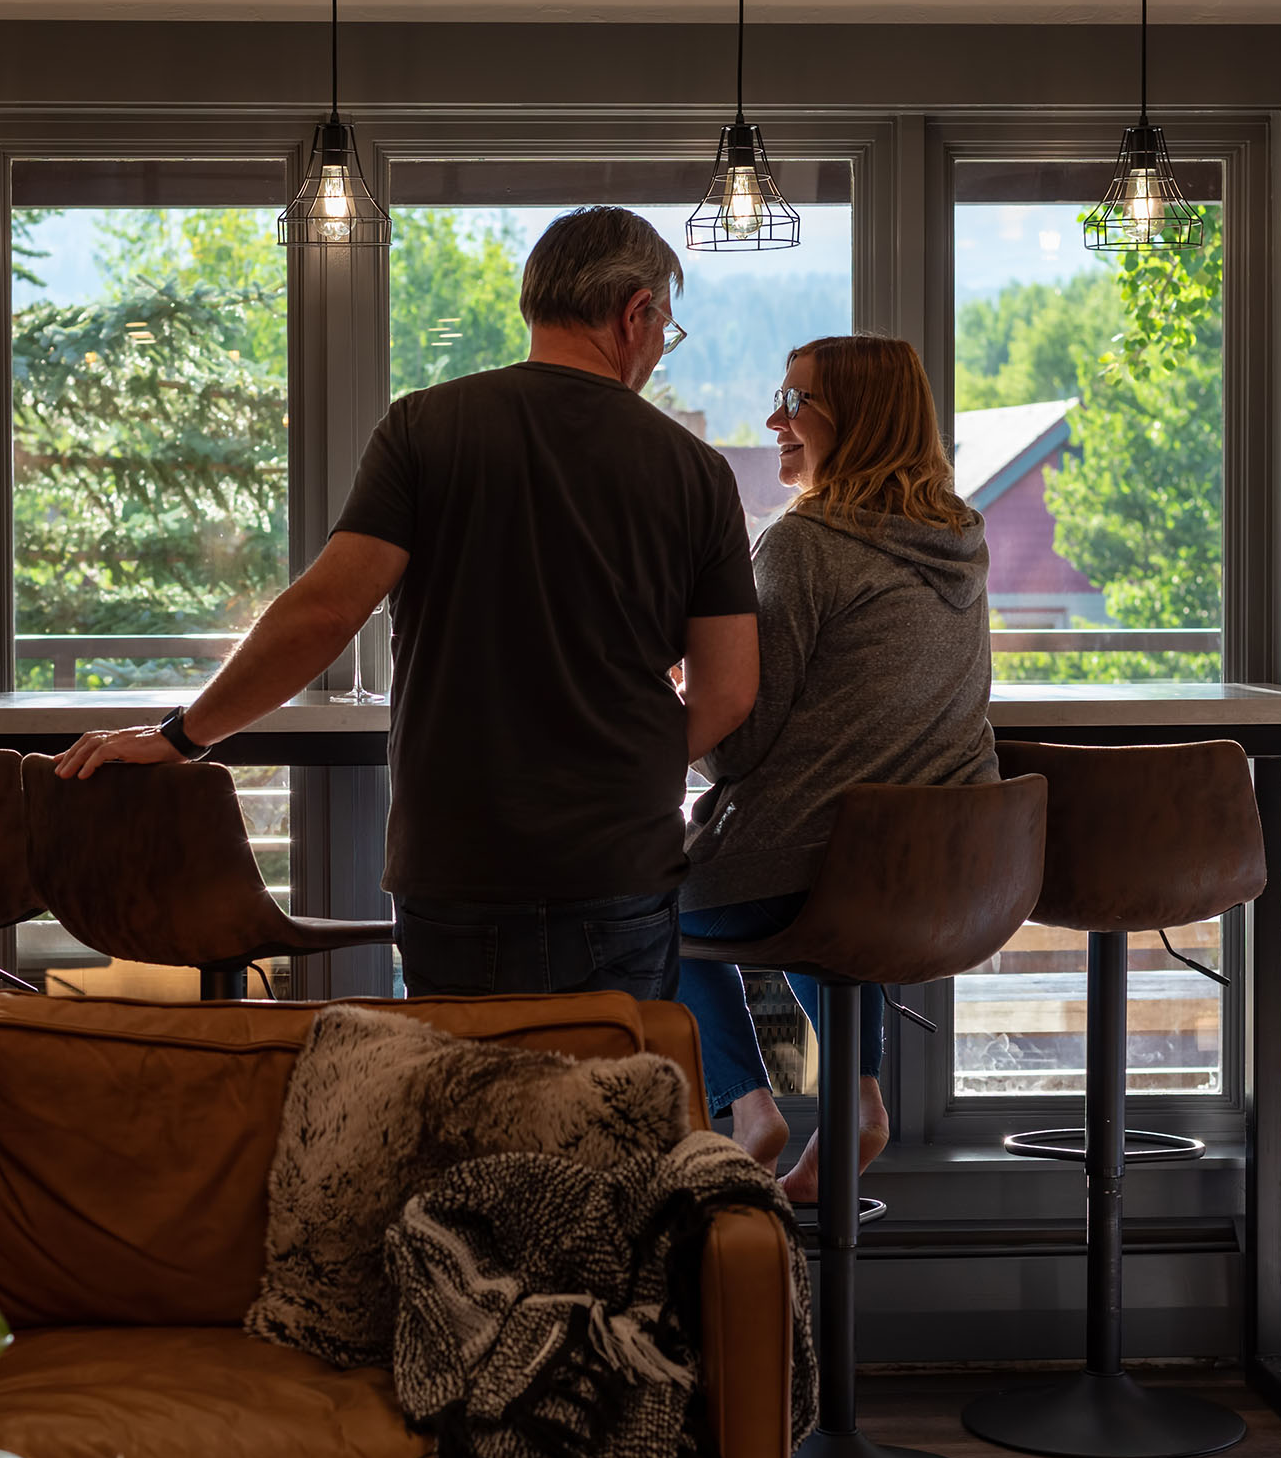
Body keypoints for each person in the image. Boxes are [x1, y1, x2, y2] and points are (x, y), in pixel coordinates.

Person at [55, 206, 760, 1003]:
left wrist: (183, 737)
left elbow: (323, 613)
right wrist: (622, 767)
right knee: (607, 1115)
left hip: (456, 865)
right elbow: (729, 691)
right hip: (618, 867)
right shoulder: (697, 473)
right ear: (637, 312)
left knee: (455, 1111)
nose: (661, 346)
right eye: (666, 326)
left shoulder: (426, 429)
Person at [677, 334, 998, 1202]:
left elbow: (734, 746)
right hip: (945, 879)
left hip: (811, 877)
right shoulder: (961, 541)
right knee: (830, 860)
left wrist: (683, 686)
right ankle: (857, 1097)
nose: (776, 420)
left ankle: (748, 1109)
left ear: (856, 421)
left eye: (797, 403)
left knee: (641, 899)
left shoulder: (802, 546)